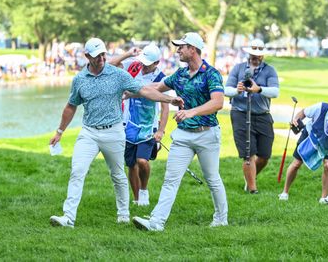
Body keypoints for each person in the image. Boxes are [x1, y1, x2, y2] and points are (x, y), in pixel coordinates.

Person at [49, 37, 183, 228]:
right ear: (87, 56)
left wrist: (170, 100)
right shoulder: (79, 79)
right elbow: (71, 106)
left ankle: (123, 213)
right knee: (77, 171)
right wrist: (60, 131)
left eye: (104, 54)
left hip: (113, 132)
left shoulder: (117, 75)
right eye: (97, 56)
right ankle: (68, 218)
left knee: (118, 175)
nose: (102, 58)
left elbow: (144, 90)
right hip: (89, 133)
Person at [132, 32, 228, 231]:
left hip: (207, 133)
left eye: (181, 47)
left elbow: (218, 102)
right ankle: (156, 222)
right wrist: (130, 91)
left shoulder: (211, 73)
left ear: (193, 49)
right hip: (183, 135)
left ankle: (221, 219)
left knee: (212, 178)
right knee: (170, 180)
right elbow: (155, 88)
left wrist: (191, 112)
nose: (178, 51)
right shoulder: (180, 74)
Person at [109, 44, 169, 206]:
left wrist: (161, 130)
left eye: (148, 63)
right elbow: (110, 65)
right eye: (143, 60)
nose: (143, 64)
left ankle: (144, 190)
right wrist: (128, 54)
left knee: (142, 161)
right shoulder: (134, 66)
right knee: (131, 164)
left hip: (148, 127)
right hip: (128, 125)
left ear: (157, 63)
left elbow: (165, 107)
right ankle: (136, 199)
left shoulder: (161, 79)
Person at [224, 38, 279, 194]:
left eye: (259, 54)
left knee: (264, 155)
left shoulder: (270, 70)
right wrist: (237, 90)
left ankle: (249, 178)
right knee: (248, 154)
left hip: (262, 114)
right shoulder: (239, 68)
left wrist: (258, 89)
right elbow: (226, 90)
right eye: (253, 53)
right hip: (240, 113)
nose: (256, 57)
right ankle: (252, 189)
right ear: (248, 53)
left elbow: (275, 92)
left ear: (263, 55)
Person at [278, 100, 328, 202]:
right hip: (311, 136)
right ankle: (285, 192)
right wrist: (296, 119)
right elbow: (303, 112)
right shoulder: (321, 108)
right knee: (296, 164)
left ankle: (324, 198)